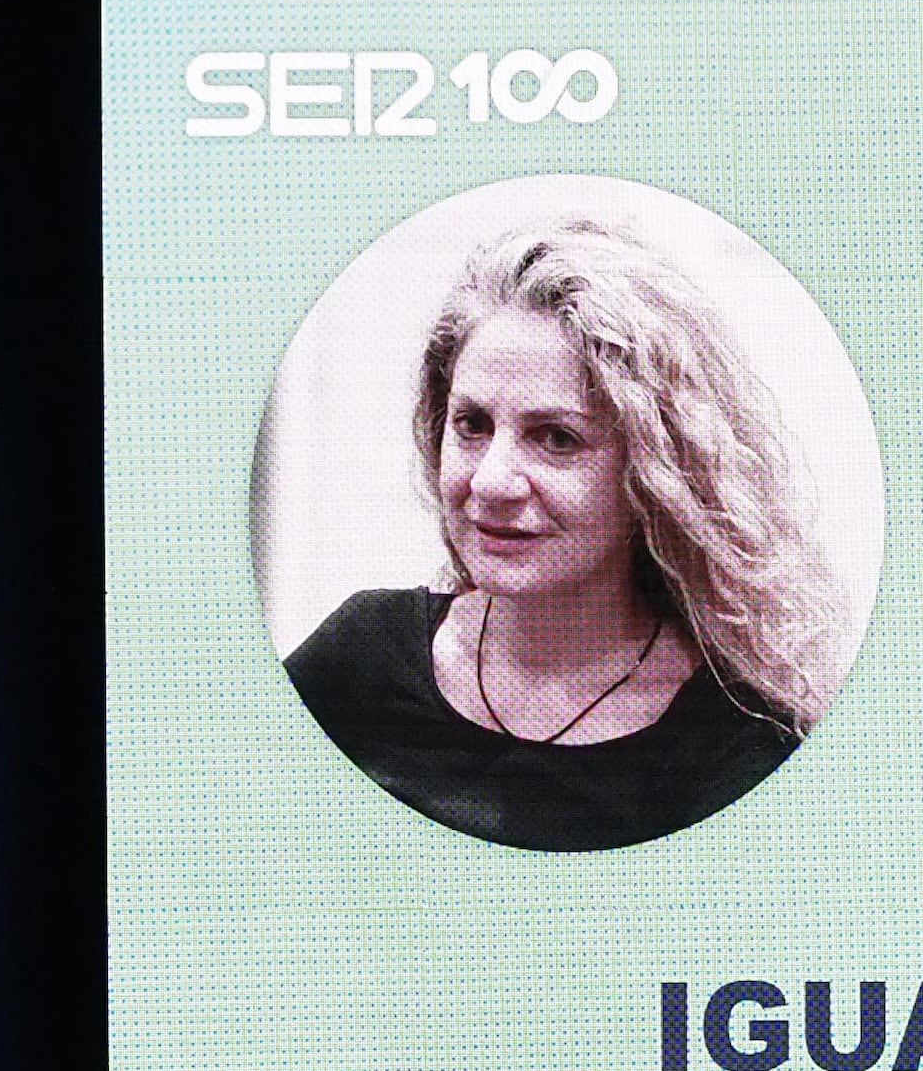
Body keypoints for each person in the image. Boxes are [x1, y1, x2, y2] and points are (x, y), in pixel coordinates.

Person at [286, 218, 840, 850]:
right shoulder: (360, 661)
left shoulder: (736, 745)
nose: (492, 481)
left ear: (656, 473)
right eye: (471, 425)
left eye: (557, 438)